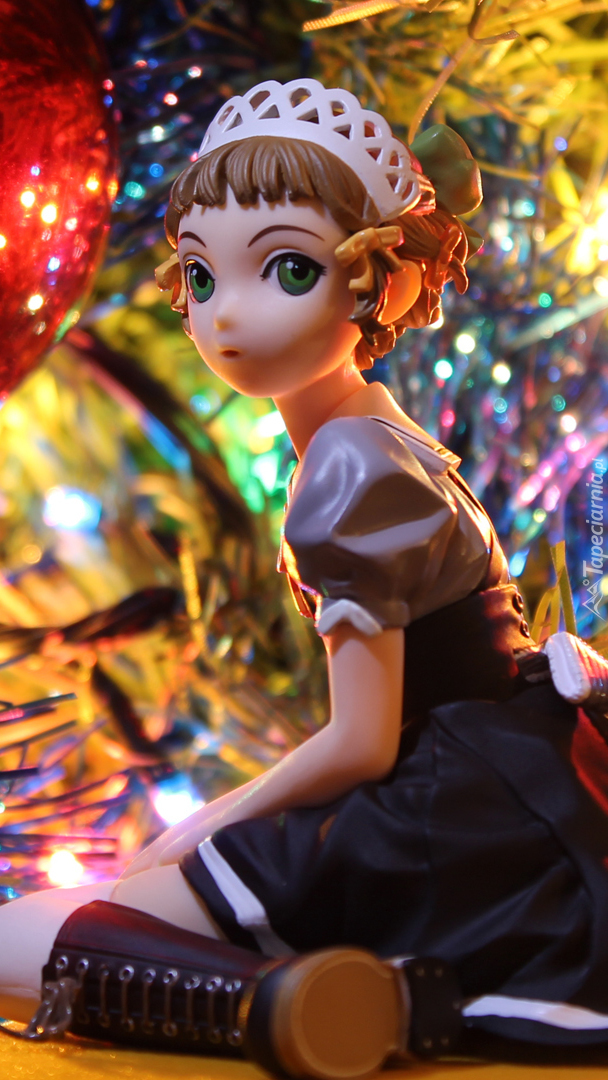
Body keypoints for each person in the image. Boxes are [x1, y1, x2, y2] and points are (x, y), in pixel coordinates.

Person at [2, 78, 608, 1076]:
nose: (226, 317)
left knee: (19, 934)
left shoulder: (348, 465)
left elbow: (361, 742)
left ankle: (290, 1004)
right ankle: (338, 993)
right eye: (202, 277)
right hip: (496, 774)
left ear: (384, 286)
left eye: (285, 269)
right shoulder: (372, 430)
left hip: (434, 805)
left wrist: (206, 822)